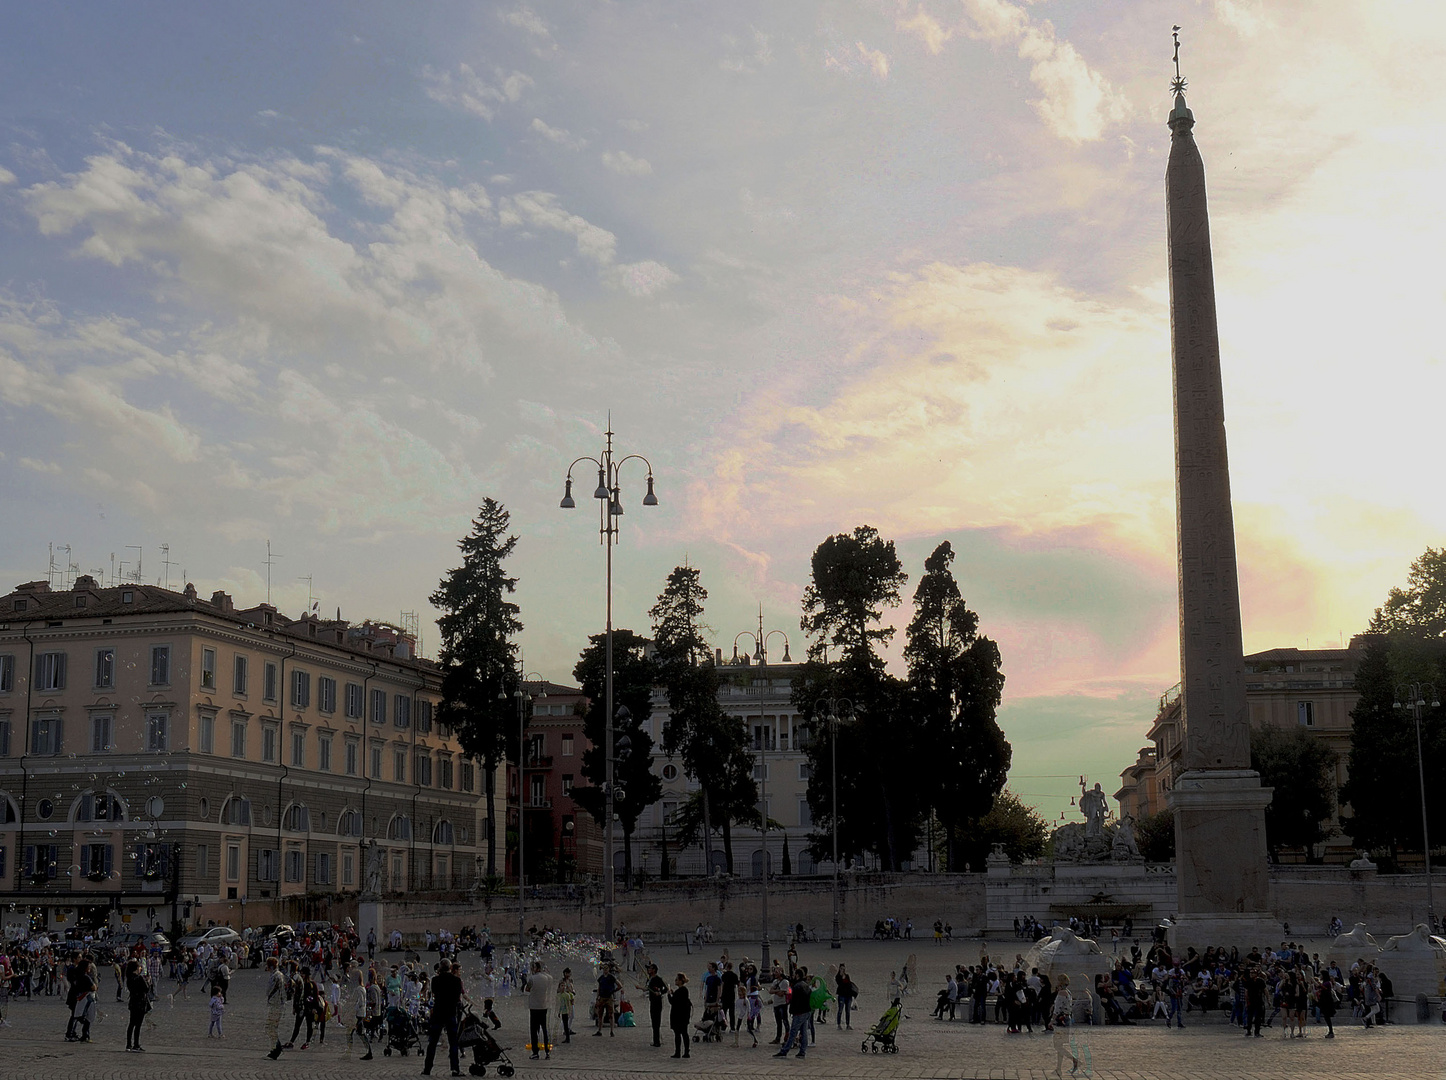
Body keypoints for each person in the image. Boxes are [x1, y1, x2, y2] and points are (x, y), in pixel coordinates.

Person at [422, 959, 465, 1077]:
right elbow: (457, 997)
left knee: (433, 1042)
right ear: (451, 968)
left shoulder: (435, 980)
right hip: (450, 1013)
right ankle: (455, 1068)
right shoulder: (456, 980)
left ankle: (427, 1068)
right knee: (453, 1042)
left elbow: (434, 993)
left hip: (438, 1012)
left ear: (440, 968)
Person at [775, 966, 812, 1059]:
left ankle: (785, 1051)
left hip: (799, 1012)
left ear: (797, 975)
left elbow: (794, 1000)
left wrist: (792, 1010)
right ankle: (802, 1051)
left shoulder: (797, 986)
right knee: (803, 1032)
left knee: (793, 1032)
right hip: (806, 1011)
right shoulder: (806, 985)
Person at [524, 961, 553, 1060]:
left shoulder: (532, 978)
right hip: (543, 1006)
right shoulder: (546, 978)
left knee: (534, 1030)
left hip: (534, 1007)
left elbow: (527, 989)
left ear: (536, 968)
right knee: (544, 1030)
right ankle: (547, 1052)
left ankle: (535, 1052)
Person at [1052, 974, 1078, 1078]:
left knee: (1057, 1045)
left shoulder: (1061, 993)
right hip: (1067, 1019)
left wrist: (1051, 1020)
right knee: (1060, 1045)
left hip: (1060, 1020)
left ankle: (1074, 1060)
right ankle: (1058, 1068)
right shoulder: (1068, 992)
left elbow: (1057, 1009)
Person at [124, 958, 150, 1052]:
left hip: (133, 1001)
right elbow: (146, 989)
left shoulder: (129, 978)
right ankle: (136, 1044)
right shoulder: (139, 978)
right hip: (140, 1002)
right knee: (138, 1025)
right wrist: (148, 981)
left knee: (131, 1024)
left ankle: (128, 1044)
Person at [641, 962, 666, 1048]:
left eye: (650, 969)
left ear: (654, 970)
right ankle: (655, 1040)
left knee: (656, 1022)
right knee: (653, 1022)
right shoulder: (650, 979)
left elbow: (665, 988)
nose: (648, 970)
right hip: (652, 1001)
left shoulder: (658, 979)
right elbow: (647, 988)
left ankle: (657, 1041)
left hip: (657, 1002)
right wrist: (640, 988)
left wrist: (659, 993)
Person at [668, 973, 692, 1059]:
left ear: (681, 981)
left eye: (677, 980)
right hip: (683, 1016)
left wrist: (669, 995)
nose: (675, 981)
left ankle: (678, 1052)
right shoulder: (684, 991)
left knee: (679, 1034)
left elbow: (673, 1002)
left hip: (678, 1016)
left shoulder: (681, 991)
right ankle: (685, 1051)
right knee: (684, 1033)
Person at [836, 964, 857, 1030]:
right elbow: (839, 983)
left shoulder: (847, 976)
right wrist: (841, 977)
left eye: (843, 968)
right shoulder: (838, 976)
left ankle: (848, 1024)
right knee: (840, 1010)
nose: (842, 970)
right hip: (841, 995)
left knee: (847, 1011)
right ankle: (839, 1024)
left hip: (848, 995)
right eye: (841, 968)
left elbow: (849, 984)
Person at [557, 968, 576, 1044]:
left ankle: (568, 1028)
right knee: (565, 1016)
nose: (569, 975)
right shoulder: (562, 981)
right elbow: (558, 990)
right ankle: (566, 1030)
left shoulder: (571, 981)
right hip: (565, 999)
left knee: (572, 1015)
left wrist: (572, 991)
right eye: (568, 973)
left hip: (570, 998)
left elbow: (572, 989)